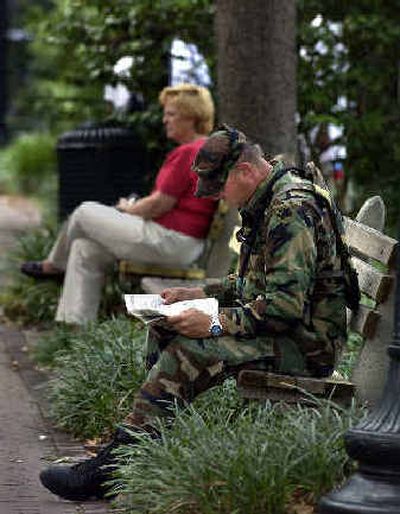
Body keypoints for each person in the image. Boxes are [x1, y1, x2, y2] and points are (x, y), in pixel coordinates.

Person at [39, 125, 351, 501]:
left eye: (220, 189)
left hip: (306, 347)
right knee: (167, 327)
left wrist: (215, 322)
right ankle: (136, 450)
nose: (219, 199)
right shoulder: (269, 198)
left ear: (245, 172)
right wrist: (200, 293)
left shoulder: (290, 211)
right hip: (286, 332)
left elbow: (285, 308)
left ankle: (111, 467)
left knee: (192, 349)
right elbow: (255, 286)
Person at [21, 83, 217, 325]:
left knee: (84, 212)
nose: (165, 120)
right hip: (181, 245)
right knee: (85, 248)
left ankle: (54, 265)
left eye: (171, 114)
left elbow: (158, 205)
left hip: (169, 241)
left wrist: (127, 210)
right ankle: (73, 328)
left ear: (192, 117)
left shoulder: (189, 152)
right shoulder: (204, 149)